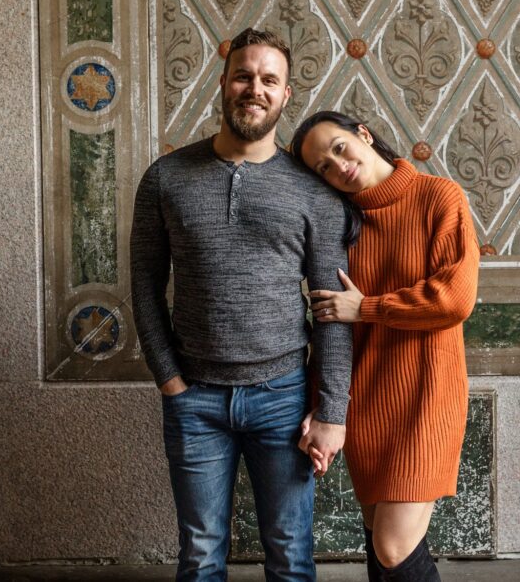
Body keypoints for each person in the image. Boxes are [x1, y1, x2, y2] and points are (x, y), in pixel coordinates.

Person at [130, 29, 352, 582]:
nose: (254, 88)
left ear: (284, 94)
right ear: (223, 83)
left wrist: (331, 411)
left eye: (268, 80)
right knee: (201, 556)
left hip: (283, 397)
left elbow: (330, 309)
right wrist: (169, 380)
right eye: (243, 75)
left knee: (290, 555)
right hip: (194, 400)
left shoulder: (312, 192)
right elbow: (144, 283)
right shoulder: (165, 178)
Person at [290, 111, 480, 582]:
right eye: (323, 168)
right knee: (381, 544)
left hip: (425, 396)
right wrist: (321, 404)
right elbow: (331, 327)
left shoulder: (439, 197)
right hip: (369, 402)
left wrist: (368, 307)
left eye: (337, 148)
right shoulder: (342, 225)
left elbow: (455, 299)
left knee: (393, 547)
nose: (337, 166)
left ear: (364, 135)